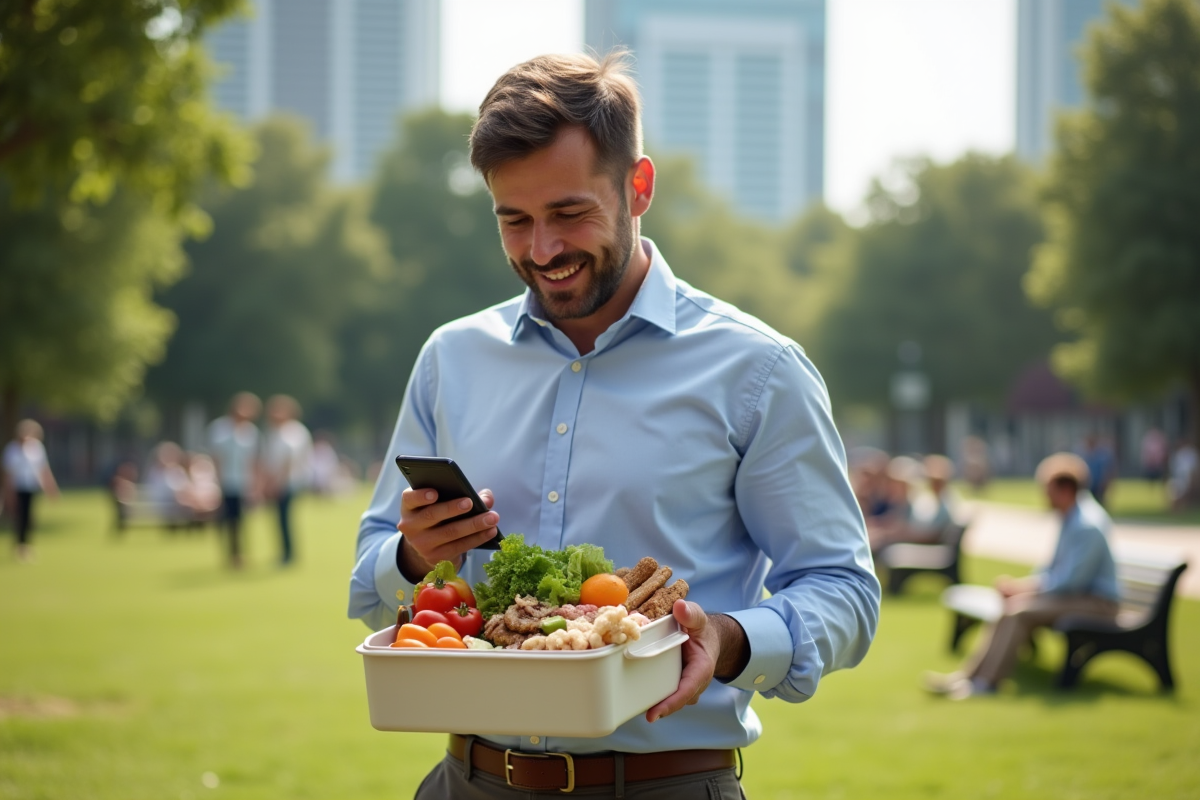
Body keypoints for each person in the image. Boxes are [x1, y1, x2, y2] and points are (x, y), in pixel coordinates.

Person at [348, 52, 879, 797]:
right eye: (514, 220)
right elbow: (370, 575)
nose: (542, 251)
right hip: (465, 781)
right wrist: (410, 556)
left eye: (569, 214)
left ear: (639, 187)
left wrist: (729, 641)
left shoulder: (757, 371)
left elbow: (842, 588)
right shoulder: (451, 359)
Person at [924, 452, 1119, 699]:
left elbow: (1071, 581)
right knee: (1010, 606)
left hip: (1098, 603)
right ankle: (970, 677)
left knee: (1018, 611)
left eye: (1047, 489)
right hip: (1078, 596)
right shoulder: (1072, 517)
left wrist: (1024, 589)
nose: (1044, 496)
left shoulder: (1086, 524)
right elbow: (1054, 571)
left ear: (1065, 489)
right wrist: (1021, 587)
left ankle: (986, 684)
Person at [207, 392, 261, 569]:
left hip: (243, 482)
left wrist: (255, 484)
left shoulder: (251, 431)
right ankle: (230, 554)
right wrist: (218, 480)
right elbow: (216, 457)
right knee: (227, 519)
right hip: (225, 481)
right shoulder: (220, 428)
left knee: (241, 520)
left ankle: (240, 554)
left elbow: (253, 460)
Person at [261, 394, 313, 565]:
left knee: (284, 519)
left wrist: (277, 482)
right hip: (280, 481)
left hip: (288, 482)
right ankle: (284, 552)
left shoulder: (293, 430)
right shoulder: (276, 431)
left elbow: (288, 460)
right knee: (279, 519)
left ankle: (288, 554)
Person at [2, 419, 59, 562]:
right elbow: (8, 474)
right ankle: (20, 546)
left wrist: (51, 488)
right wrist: (9, 494)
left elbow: (43, 469)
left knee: (29, 517)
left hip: (31, 487)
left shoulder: (37, 448)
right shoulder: (11, 450)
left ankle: (26, 545)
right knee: (19, 517)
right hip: (17, 488)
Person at [1081, 433, 1116, 507]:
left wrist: (1106, 481)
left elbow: (1108, 469)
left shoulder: (1102, 455)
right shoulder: (1085, 454)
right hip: (1089, 484)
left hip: (1099, 483)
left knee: (1100, 501)